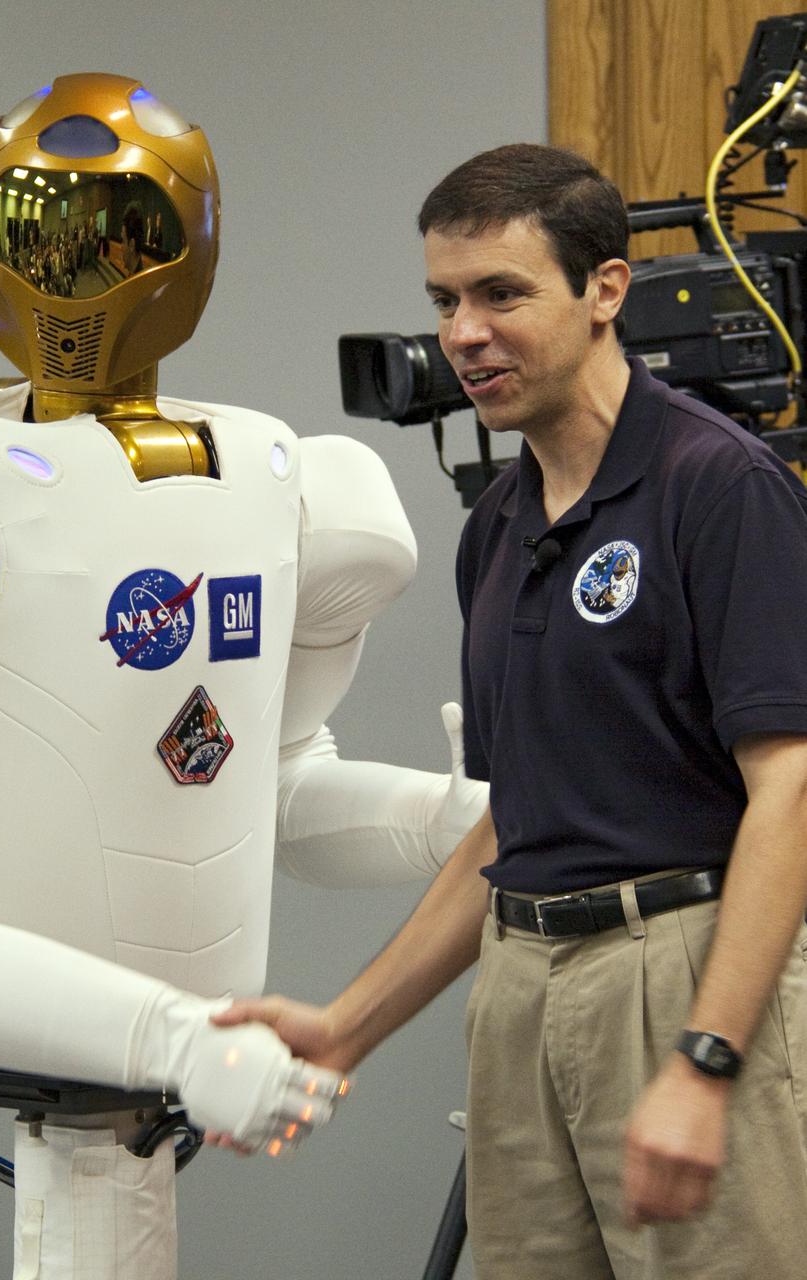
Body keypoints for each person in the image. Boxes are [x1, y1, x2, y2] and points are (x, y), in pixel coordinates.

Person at [0, 75, 488, 1280]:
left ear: (191, 249)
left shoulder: (288, 478)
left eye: (115, 236)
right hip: (44, 1020)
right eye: (31, 234)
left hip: (196, 1024)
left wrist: (461, 821)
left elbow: (273, 790)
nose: (70, 275)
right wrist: (175, 1041)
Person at [216, 142, 807, 1279]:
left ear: (604, 291)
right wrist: (348, 1025)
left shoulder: (716, 487)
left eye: (501, 293)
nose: (463, 334)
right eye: (444, 301)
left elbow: (790, 785)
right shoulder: (496, 525)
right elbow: (506, 824)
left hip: (679, 963)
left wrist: (703, 1057)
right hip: (520, 979)